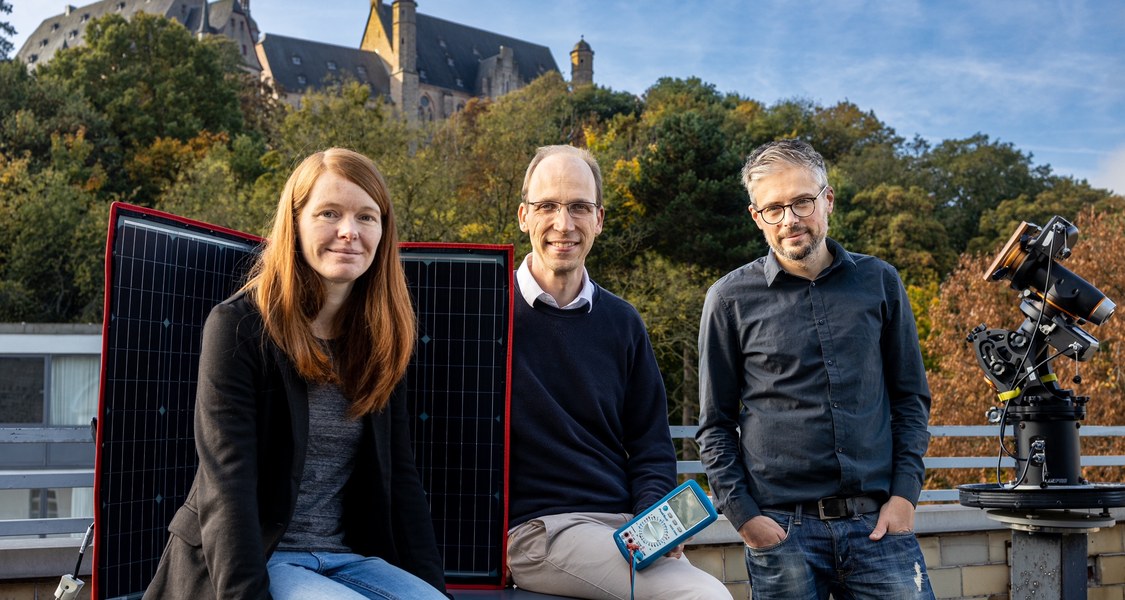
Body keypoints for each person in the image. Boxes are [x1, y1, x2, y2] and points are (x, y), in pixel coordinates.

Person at [144, 148, 448, 600]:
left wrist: (431, 590)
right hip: (262, 558)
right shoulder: (239, 328)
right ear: (295, 222)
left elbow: (402, 482)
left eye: (367, 217)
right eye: (329, 212)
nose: (349, 232)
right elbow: (227, 486)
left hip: (346, 557)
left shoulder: (381, 337)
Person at [696, 139, 935, 599]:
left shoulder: (880, 281)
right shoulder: (727, 300)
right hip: (782, 532)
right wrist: (746, 519)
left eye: (802, 201)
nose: (789, 220)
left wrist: (905, 497)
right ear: (756, 216)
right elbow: (715, 426)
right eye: (774, 209)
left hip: (879, 527)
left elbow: (910, 399)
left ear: (826, 199)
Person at [505, 145, 732, 600]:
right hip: (539, 530)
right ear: (524, 216)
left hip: (627, 529)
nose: (564, 224)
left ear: (600, 219)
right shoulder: (483, 312)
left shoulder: (623, 321)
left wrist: (655, 517)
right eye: (548, 206)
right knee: (702, 597)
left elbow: (649, 443)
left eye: (579, 208)